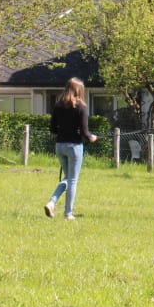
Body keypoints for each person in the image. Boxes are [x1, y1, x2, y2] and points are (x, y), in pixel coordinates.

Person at [45, 77, 97, 220]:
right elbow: (85, 132)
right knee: (73, 180)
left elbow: (52, 129)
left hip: (60, 146)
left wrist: (64, 131)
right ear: (79, 91)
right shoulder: (81, 107)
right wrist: (92, 137)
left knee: (68, 178)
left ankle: (52, 202)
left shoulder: (57, 106)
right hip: (74, 147)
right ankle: (68, 213)